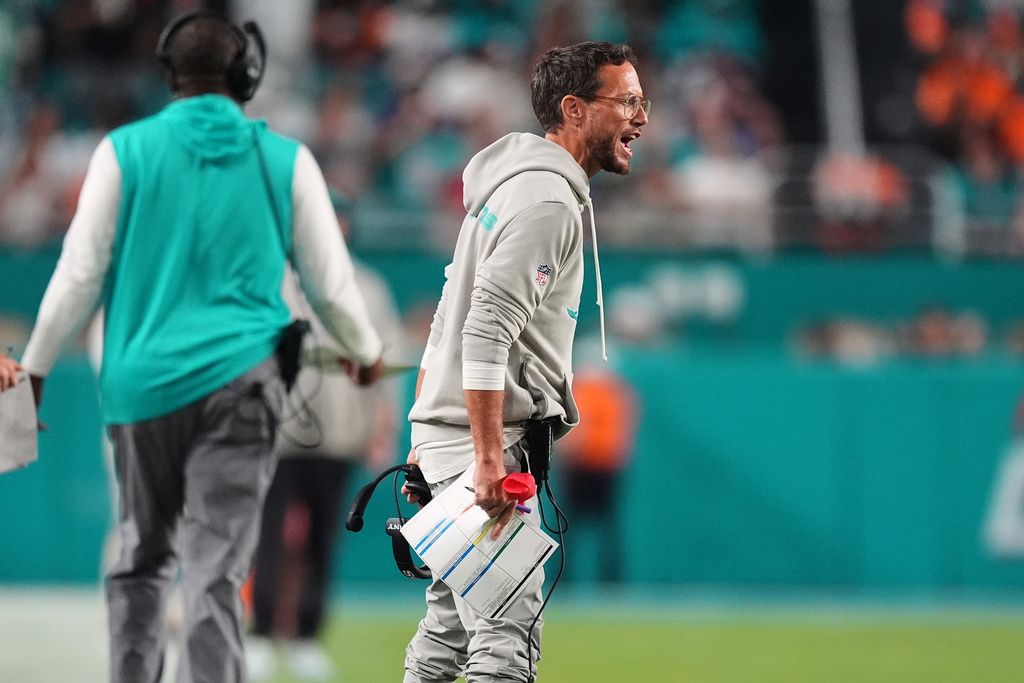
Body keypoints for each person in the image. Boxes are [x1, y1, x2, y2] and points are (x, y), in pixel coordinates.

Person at [17, 11, 384, 683]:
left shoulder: (121, 151)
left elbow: (78, 274)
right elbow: (330, 285)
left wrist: (36, 368)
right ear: (246, 75)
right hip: (243, 389)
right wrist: (364, 350)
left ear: (169, 76)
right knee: (216, 569)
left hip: (142, 389)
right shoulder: (286, 159)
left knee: (140, 557)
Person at [402, 42, 648, 683]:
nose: (641, 118)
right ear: (573, 109)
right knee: (508, 640)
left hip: (455, 435)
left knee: (448, 633)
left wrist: (423, 437)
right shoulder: (545, 200)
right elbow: (484, 333)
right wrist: (484, 456)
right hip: (481, 444)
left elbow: (445, 321)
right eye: (626, 102)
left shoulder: (519, 189)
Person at [246, 194, 406, 683]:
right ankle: (259, 632)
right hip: (278, 431)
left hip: (340, 432)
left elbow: (389, 360)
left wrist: (384, 426)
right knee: (266, 537)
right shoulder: (275, 280)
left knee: (321, 539)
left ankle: (306, 638)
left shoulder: (369, 287)